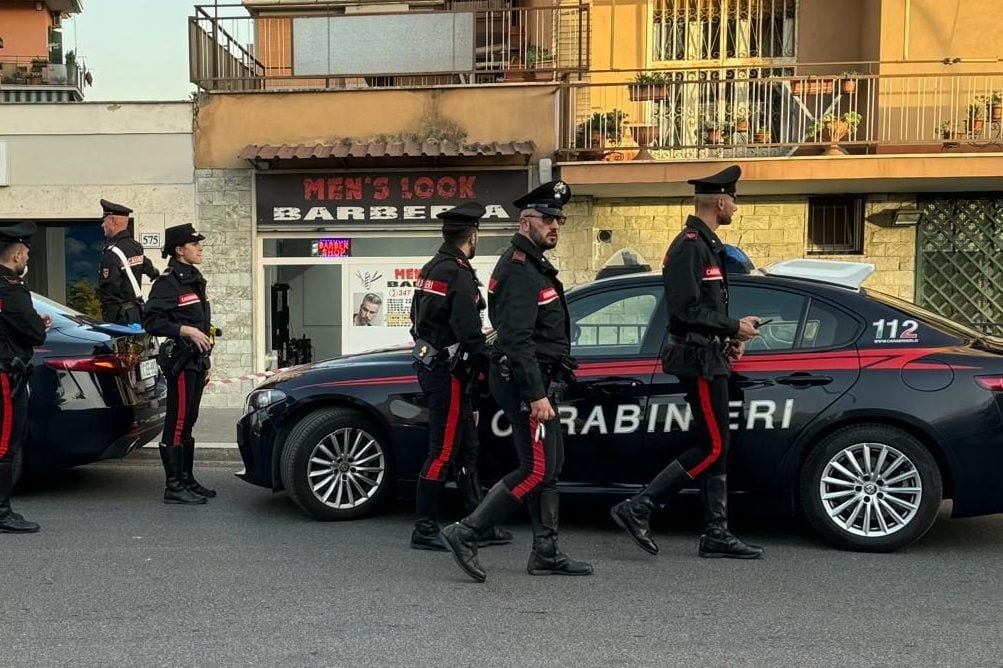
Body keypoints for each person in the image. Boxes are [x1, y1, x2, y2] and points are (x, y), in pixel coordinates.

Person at [610, 165, 765, 559]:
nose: (735, 206)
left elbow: (704, 309)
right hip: (696, 359)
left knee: (716, 444)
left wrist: (730, 337)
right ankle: (639, 506)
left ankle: (716, 533)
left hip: (710, 355)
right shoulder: (688, 246)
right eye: (733, 199)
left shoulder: (707, 245)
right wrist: (732, 326)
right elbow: (683, 310)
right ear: (719, 201)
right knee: (714, 445)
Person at [440, 181, 593, 582]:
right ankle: (466, 531)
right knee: (535, 468)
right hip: (529, 381)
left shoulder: (532, 264)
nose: (556, 224)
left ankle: (546, 551)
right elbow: (516, 339)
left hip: (538, 378)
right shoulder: (520, 270)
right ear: (526, 222)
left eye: (559, 218)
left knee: (550, 465)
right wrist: (536, 394)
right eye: (547, 218)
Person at [408, 201, 512, 551]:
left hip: (433, 364)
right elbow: (468, 331)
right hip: (449, 372)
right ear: (473, 236)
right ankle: (424, 528)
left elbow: (417, 320)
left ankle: (475, 521)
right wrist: (488, 360)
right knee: (444, 450)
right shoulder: (457, 272)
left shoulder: (431, 268)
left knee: (468, 446)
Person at [143, 224, 216, 505]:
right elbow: (151, 321)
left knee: (190, 420)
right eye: (194, 244)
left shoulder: (194, 278)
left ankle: (186, 479)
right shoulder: (168, 282)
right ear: (179, 250)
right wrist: (184, 330)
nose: (199, 248)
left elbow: (203, 324)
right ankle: (173, 486)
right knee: (177, 421)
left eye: (199, 244)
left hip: (196, 361)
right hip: (181, 362)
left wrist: (206, 359)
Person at [0, 221, 52, 533]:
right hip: (7, 374)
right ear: (18, 254)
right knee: (7, 443)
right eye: (28, 255)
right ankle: (1, 512)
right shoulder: (11, 288)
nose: (28, 261)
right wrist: (37, 325)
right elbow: (33, 332)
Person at [98, 199, 159, 325]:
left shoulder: (111, 253)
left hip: (120, 318)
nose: (102, 225)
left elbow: (110, 293)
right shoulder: (136, 247)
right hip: (137, 313)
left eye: (104, 221)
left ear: (112, 221)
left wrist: (109, 323)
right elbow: (151, 271)